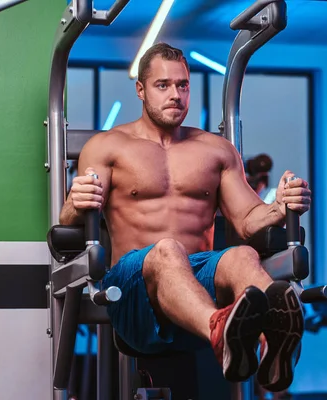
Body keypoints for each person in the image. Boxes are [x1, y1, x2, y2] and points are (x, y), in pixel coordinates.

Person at [59, 42, 311, 392]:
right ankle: (220, 330)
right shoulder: (107, 147)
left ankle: (276, 341)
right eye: (163, 85)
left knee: (242, 255)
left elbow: (247, 221)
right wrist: (74, 202)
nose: (175, 94)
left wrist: (279, 206)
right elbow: (69, 223)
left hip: (197, 289)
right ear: (141, 90)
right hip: (134, 293)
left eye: (183, 85)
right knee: (167, 250)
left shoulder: (216, 150)